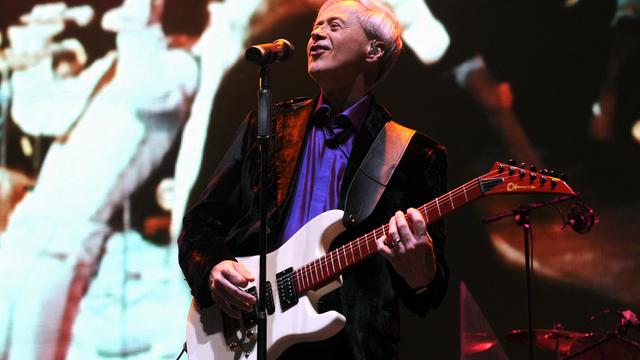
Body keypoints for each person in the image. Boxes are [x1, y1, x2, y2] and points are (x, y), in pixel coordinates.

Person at [178, 0, 449, 359]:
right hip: (250, 335)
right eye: (315, 28)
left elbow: (429, 292)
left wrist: (421, 272)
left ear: (374, 50)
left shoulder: (414, 154)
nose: (317, 33)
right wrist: (213, 267)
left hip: (351, 347)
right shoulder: (268, 127)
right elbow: (202, 222)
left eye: (334, 26)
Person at [0, 0, 206, 358]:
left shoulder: (179, 68)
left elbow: (144, 88)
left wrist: (139, 24)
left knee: (30, 353)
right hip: (28, 224)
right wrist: (34, 59)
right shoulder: (115, 64)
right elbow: (44, 115)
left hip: (68, 240)